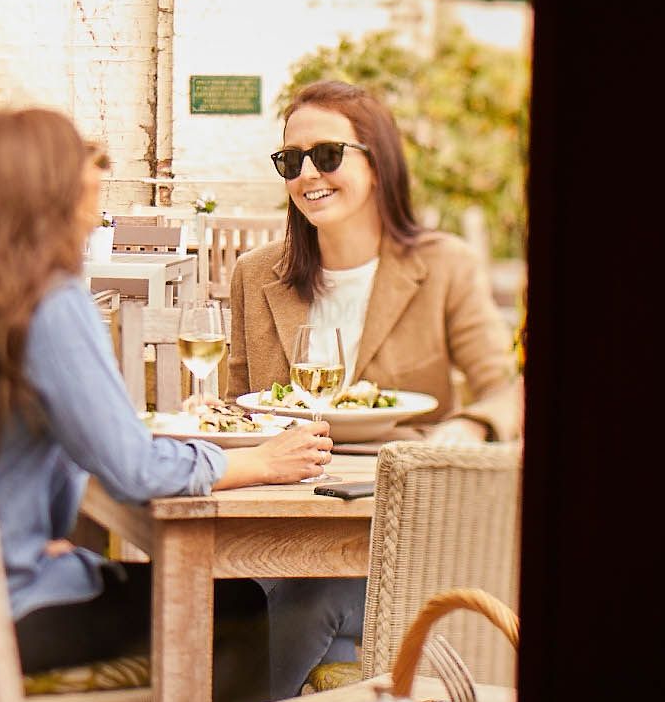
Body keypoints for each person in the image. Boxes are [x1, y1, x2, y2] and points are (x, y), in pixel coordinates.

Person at [0, 108, 352, 702]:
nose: (94, 217)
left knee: (177, 591)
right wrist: (258, 463)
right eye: (89, 196)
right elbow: (133, 469)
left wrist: (19, 540)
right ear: (52, 200)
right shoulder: (52, 304)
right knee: (236, 605)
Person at [209, 79, 522, 668]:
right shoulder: (256, 273)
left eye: (327, 155)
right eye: (291, 160)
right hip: (280, 525)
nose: (307, 174)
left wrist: (474, 425)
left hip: (398, 533)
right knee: (223, 601)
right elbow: (241, 407)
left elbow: (506, 390)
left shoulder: (443, 266)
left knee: (310, 601)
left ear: (377, 165)